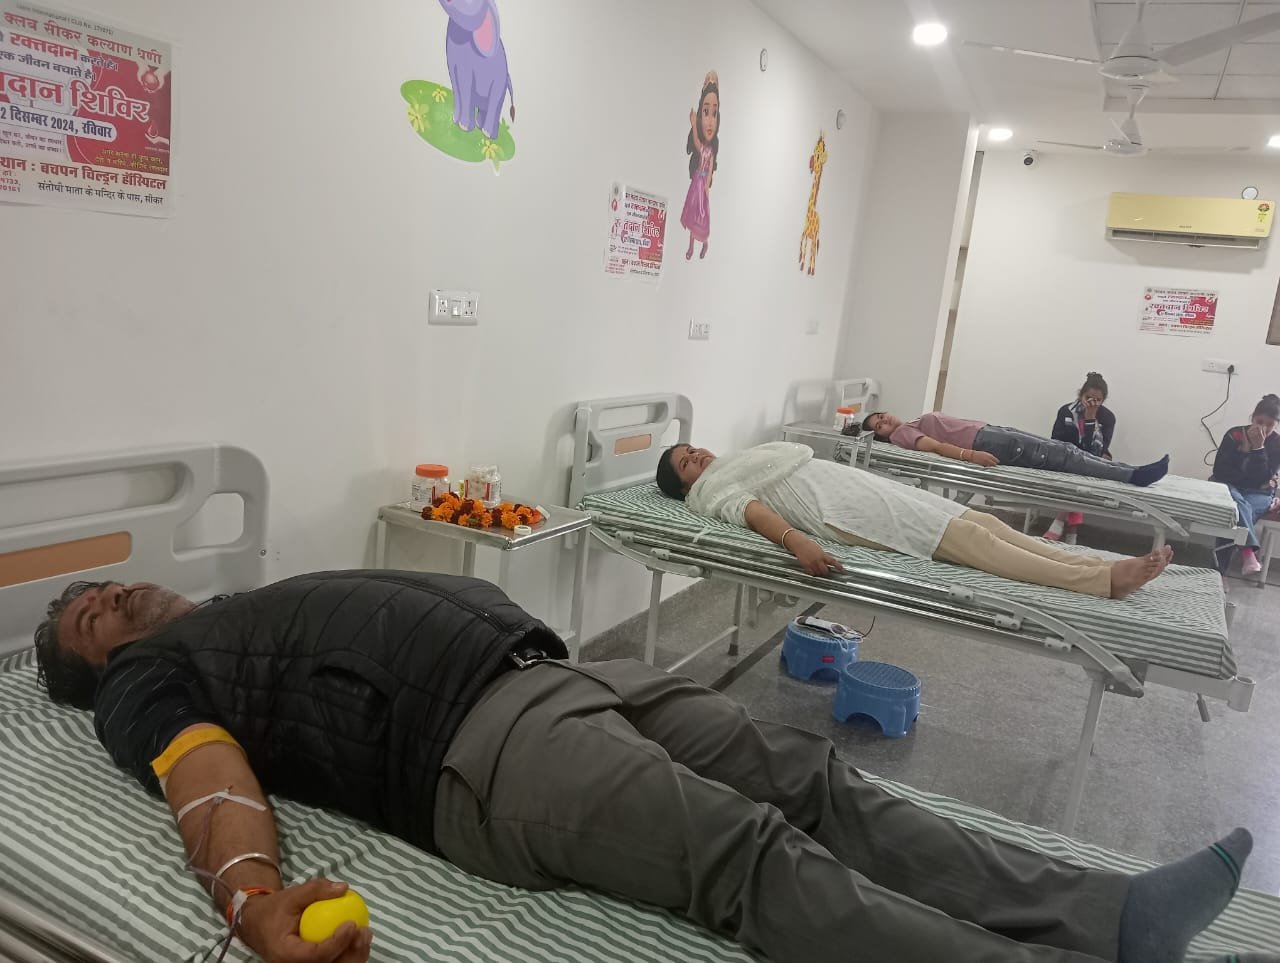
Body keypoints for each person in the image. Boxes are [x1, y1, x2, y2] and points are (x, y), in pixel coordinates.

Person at [33, 571, 1271, 963]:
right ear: (95, 668)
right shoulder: (145, 684)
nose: (111, 594)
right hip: (477, 753)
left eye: (104, 582)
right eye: (87, 615)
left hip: (562, 678)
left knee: (814, 781)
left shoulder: (236, 605)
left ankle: (1106, 915)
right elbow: (204, 776)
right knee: (748, 853)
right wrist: (252, 903)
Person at [656, 442, 1171, 599]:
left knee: (983, 521)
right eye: (685, 464)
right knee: (971, 539)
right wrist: (796, 542)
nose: (696, 456)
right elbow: (753, 512)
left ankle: (1093, 564)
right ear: (685, 487)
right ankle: (1101, 582)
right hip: (842, 511)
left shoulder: (733, 459)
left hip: (857, 487)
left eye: (691, 448)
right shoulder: (711, 491)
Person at [863, 408, 1169, 487]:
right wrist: (971, 456)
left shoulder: (909, 422)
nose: (884, 421)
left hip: (992, 434)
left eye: (880, 416)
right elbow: (935, 446)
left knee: (1065, 450)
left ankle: (1129, 471)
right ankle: (1132, 476)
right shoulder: (901, 434)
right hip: (986, 443)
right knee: (1065, 456)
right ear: (882, 437)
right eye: (878, 427)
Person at [1211, 393, 1280, 581]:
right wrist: (1252, 479)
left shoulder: (1277, 444)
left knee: (1236, 513)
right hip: (1230, 487)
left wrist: (1258, 449)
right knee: (1235, 507)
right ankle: (1248, 552)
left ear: (1276, 425)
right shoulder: (1234, 435)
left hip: (1259, 493)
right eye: (1260, 422)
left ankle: (1219, 575)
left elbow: (1264, 478)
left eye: (1270, 424)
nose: (1263, 428)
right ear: (1252, 418)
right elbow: (1220, 471)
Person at [1046, 372, 1118, 544]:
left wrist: (1090, 419)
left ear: (1103, 400)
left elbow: (1098, 449)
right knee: (1078, 475)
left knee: (1085, 471)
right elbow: (1055, 439)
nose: (1092, 402)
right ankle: (1072, 531)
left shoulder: (1107, 417)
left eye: (1098, 400)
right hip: (1067, 456)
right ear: (1081, 394)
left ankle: (1059, 520)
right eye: (1089, 398)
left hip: (1091, 460)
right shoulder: (1066, 411)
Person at [680, 71, 720, 261]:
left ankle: (704, 244)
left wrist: (707, 187)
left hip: (702, 184)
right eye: (705, 112)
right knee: (692, 217)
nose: (710, 121)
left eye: (714, 113)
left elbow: (710, 169)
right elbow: (696, 140)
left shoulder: (711, 151)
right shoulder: (702, 148)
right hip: (696, 181)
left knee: (702, 219)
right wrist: (693, 125)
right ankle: (690, 247)